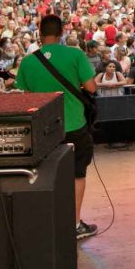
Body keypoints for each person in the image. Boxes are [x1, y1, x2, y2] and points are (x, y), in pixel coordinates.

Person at [14, 14, 98, 241]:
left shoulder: (29, 61)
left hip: (43, 128)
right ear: (61, 32)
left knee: (44, 174)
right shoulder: (75, 54)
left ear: (39, 34)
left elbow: (25, 95)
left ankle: (47, 222)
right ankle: (75, 223)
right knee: (77, 174)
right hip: (74, 125)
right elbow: (91, 87)